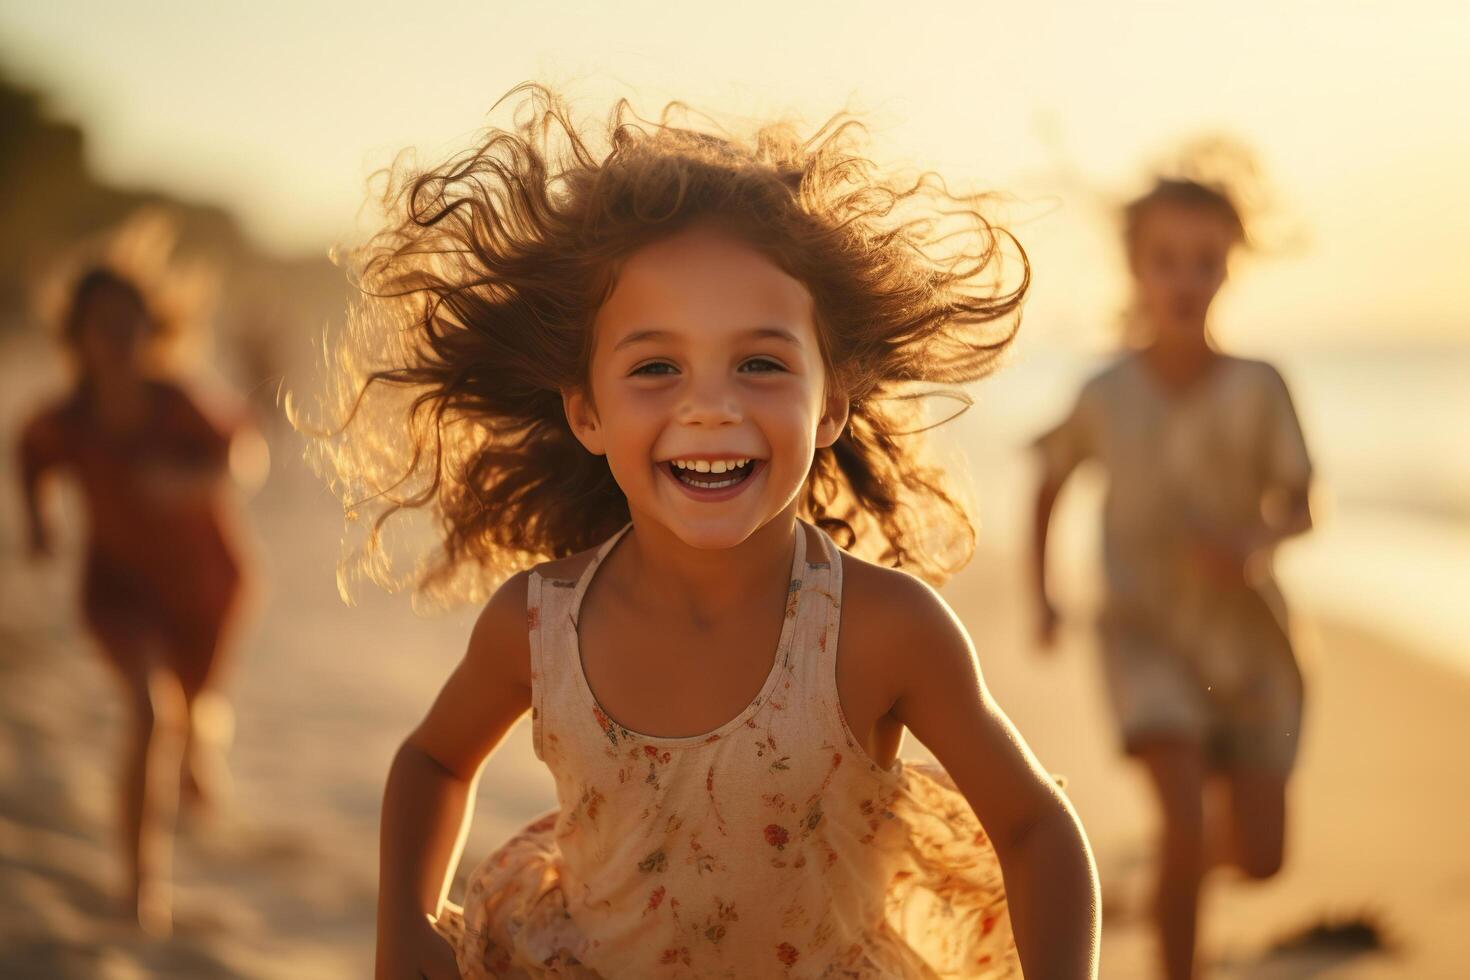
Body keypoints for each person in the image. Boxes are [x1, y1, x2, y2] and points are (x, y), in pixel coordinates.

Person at [333, 85, 1100, 979]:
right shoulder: (537, 624)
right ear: (587, 412)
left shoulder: (886, 632)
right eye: (656, 365)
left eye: (760, 363)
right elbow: (432, 759)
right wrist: (405, 929)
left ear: (831, 406)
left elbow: (1035, 826)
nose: (709, 406)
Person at [1030, 177, 1315, 979]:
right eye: (1166, 261)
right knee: (1183, 819)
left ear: (1229, 270)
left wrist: (1256, 539)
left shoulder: (1261, 386)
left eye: (1205, 261)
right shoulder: (1105, 392)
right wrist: (1043, 595)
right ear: (1135, 269)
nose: (1184, 280)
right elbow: (1049, 481)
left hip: (1251, 645)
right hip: (1141, 632)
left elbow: (1302, 502)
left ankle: (1175, 870)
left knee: (1261, 857)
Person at [17, 265, 254, 937]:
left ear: (152, 331)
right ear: (78, 337)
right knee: (150, 714)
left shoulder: (175, 400)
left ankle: (197, 743)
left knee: (191, 699)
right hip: (120, 593)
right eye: (105, 326)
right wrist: (37, 520)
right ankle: (142, 888)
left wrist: (186, 482)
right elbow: (28, 452)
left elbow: (240, 452)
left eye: (132, 324)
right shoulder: (68, 420)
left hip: (205, 586)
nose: (119, 338)